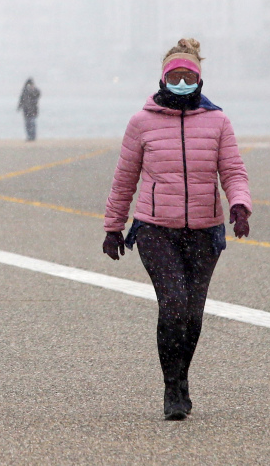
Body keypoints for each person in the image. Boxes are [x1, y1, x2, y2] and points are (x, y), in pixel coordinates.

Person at [102, 38, 252, 421]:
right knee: (172, 305)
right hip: (156, 229)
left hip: (205, 231)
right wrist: (113, 226)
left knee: (193, 315)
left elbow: (233, 171)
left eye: (189, 76)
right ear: (163, 78)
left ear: (199, 80)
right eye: (175, 76)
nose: (182, 82)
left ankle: (181, 377)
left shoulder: (217, 121)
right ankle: (172, 388)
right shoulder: (142, 122)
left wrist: (239, 205)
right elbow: (124, 179)